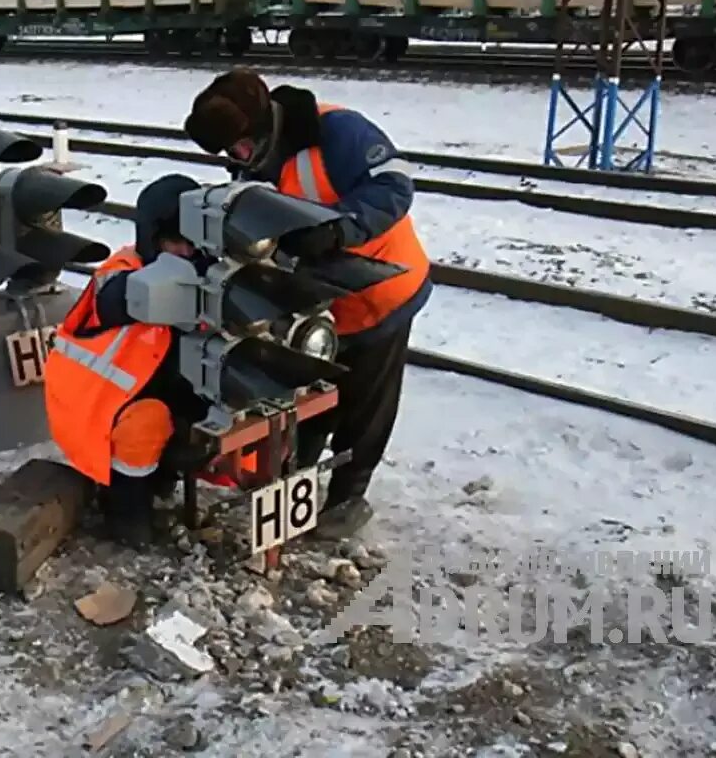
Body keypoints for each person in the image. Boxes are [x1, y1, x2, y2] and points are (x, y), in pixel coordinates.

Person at [183, 67, 431, 539]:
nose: (236, 159)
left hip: (382, 289)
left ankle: (347, 498)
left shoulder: (337, 130)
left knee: (367, 404)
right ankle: (295, 478)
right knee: (309, 391)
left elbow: (395, 184)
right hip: (319, 302)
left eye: (239, 148)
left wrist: (340, 228)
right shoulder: (252, 163)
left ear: (262, 130)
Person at [43, 174, 214, 547]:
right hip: (96, 412)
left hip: (143, 392)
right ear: (151, 238)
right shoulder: (119, 275)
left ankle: (158, 479)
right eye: (174, 243)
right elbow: (116, 299)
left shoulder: (199, 274)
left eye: (192, 244)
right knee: (146, 425)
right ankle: (125, 513)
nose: (185, 253)